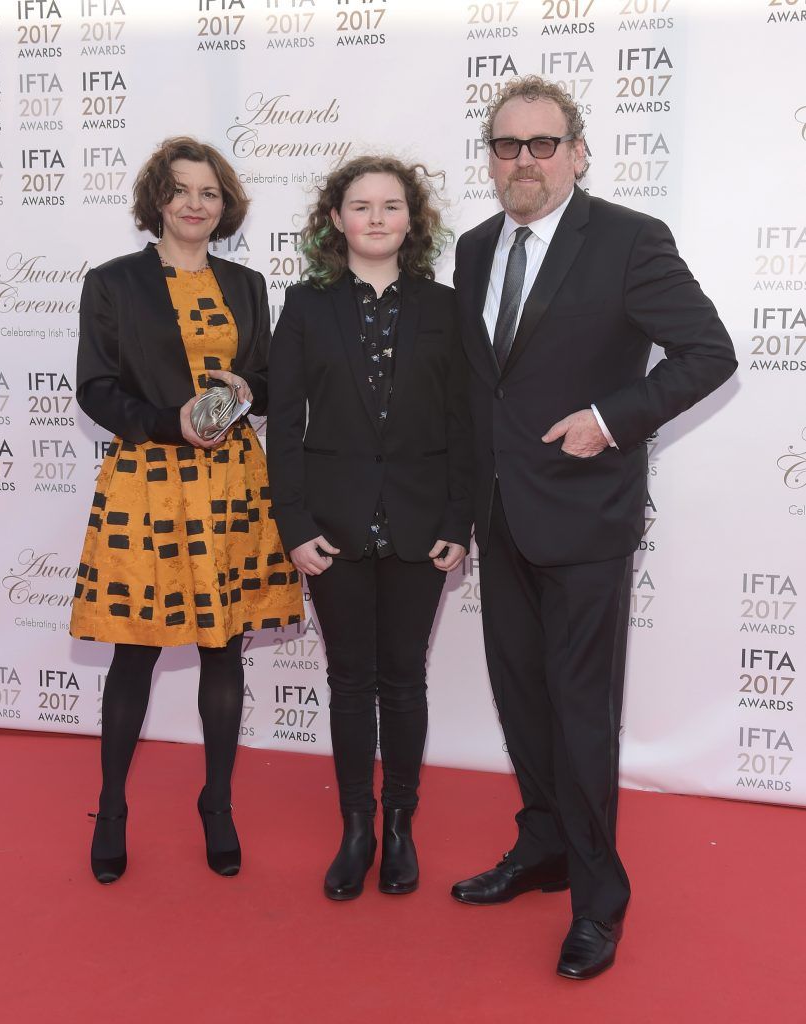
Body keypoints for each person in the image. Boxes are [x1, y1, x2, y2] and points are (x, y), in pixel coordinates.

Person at [451, 77, 737, 978]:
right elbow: (477, 389)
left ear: (577, 151)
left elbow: (707, 352)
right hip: (498, 517)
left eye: (541, 144)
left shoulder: (626, 239)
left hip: (584, 517)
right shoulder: (470, 249)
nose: (523, 161)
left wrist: (610, 418)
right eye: (507, 146)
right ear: (490, 159)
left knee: (579, 715)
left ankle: (597, 901)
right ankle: (540, 847)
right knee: (521, 701)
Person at [71, 136, 303, 884]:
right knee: (133, 649)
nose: (195, 204)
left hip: (231, 482)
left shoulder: (246, 283)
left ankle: (218, 803)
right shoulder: (113, 282)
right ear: (157, 202)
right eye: (181, 191)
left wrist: (245, 393)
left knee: (223, 648)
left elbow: (269, 381)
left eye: (208, 192)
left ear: (223, 203)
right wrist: (170, 422)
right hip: (149, 480)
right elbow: (96, 387)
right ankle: (111, 807)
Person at [267, 156, 473, 900]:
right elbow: (283, 425)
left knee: (405, 678)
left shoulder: (446, 307)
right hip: (332, 524)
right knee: (350, 681)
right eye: (361, 205)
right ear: (335, 219)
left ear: (412, 221)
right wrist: (292, 523)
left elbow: (464, 423)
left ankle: (400, 829)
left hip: (422, 523)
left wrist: (459, 518)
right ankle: (356, 828)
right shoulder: (305, 304)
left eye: (391, 205)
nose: (377, 218)